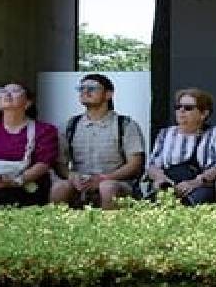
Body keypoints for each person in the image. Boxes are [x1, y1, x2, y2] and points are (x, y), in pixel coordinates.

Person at [49, 73, 146, 209]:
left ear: (108, 94)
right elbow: (60, 163)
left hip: (117, 183)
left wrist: (104, 178)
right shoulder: (70, 125)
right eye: (81, 88)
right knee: (60, 187)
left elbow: (135, 164)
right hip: (80, 184)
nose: (85, 91)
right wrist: (72, 176)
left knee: (107, 187)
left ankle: (109, 229)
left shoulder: (125, 124)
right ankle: (54, 229)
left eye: (92, 88)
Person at [146, 88, 216, 205]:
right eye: (178, 107)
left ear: (204, 114)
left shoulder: (215, 133)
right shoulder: (165, 133)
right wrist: (161, 179)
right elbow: (152, 165)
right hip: (169, 183)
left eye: (188, 108)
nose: (181, 111)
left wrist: (194, 183)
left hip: (200, 186)